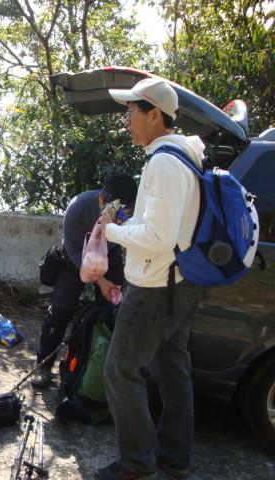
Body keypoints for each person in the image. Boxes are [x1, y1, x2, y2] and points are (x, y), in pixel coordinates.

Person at [95, 78, 205, 480]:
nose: (126, 121)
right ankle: (174, 458)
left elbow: (159, 238)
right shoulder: (188, 157)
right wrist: (129, 223)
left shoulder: (163, 162)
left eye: (131, 112)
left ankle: (137, 465)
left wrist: (112, 232)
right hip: (181, 283)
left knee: (121, 370)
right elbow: (167, 226)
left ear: (154, 114)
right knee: (174, 371)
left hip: (157, 288)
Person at [31, 174, 138, 388]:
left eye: (125, 210)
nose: (119, 215)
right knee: (60, 312)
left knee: (110, 311)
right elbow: (72, 250)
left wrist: (111, 284)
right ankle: (43, 364)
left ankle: (96, 367)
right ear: (101, 199)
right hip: (76, 260)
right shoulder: (78, 207)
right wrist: (101, 282)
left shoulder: (130, 213)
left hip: (110, 257)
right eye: (113, 209)